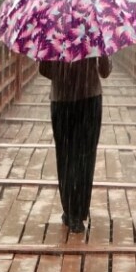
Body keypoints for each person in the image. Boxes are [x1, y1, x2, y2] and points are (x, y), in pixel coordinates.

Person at [39, 54, 112, 235]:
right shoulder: (94, 31)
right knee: (85, 156)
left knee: (65, 156)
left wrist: (63, 69)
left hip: (62, 100)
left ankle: (70, 210)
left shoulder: (54, 33)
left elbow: (44, 70)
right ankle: (78, 212)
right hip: (89, 99)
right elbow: (105, 71)